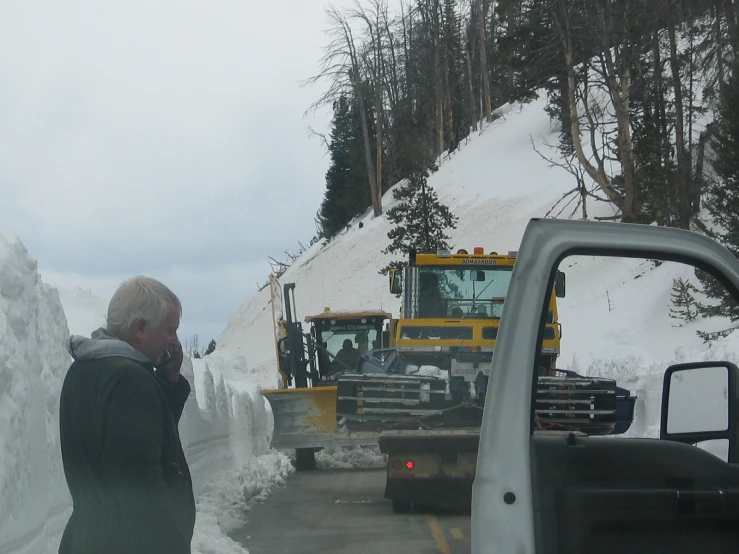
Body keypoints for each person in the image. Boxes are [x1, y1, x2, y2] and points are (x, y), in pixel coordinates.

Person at [58, 276, 195, 554]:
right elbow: (140, 490)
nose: (174, 342)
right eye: (170, 331)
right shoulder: (130, 380)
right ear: (141, 328)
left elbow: (140, 443)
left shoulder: (85, 369)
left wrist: (167, 382)